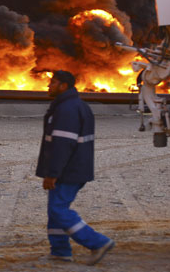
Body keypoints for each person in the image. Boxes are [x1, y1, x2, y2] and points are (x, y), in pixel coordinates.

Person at [36, 71, 115, 265]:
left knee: (58, 210)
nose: (48, 86)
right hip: (73, 168)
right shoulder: (73, 106)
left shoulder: (67, 109)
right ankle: (60, 251)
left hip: (68, 170)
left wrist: (52, 173)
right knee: (55, 210)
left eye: (52, 82)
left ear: (64, 86)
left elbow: (62, 144)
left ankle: (98, 242)